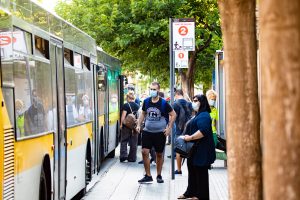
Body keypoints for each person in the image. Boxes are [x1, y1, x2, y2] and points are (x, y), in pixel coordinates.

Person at [136, 82, 176, 184]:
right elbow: (143, 114)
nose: (152, 91)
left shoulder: (163, 103)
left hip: (159, 133)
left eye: (154, 89)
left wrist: (169, 128)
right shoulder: (146, 101)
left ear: (158, 90)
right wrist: (138, 124)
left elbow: (173, 114)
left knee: (159, 154)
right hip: (147, 131)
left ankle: (159, 175)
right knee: (145, 152)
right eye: (151, 89)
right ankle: (148, 175)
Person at [178, 94, 216, 200]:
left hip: (201, 150)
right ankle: (191, 192)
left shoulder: (204, 115)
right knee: (193, 171)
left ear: (202, 102)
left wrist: (190, 138)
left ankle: (201, 196)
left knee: (201, 173)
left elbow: (203, 131)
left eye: (196, 100)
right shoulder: (198, 114)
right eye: (193, 100)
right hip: (194, 150)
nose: (193, 102)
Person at [172, 89, 193, 175]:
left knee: (178, 149)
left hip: (179, 129)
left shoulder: (175, 104)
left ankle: (179, 169)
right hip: (189, 128)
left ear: (176, 94)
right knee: (190, 148)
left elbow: (172, 116)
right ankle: (191, 169)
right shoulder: (189, 103)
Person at [120, 91, 140, 162]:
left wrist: (121, 124)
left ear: (128, 97)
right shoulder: (137, 106)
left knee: (124, 140)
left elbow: (123, 116)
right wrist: (138, 125)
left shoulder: (126, 105)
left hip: (126, 126)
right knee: (134, 142)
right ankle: (132, 158)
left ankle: (123, 155)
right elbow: (139, 117)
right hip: (134, 126)